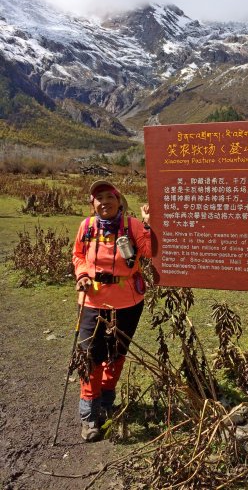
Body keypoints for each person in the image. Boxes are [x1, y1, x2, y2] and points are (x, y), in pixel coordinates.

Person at [72, 180, 151, 442]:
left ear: (119, 200)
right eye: (98, 198)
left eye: (109, 196)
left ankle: (107, 400)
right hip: (92, 302)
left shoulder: (133, 226)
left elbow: (150, 251)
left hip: (127, 302)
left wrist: (149, 223)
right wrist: (82, 274)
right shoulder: (87, 227)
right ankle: (90, 415)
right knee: (90, 357)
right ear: (92, 203)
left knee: (116, 354)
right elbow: (78, 255)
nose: (104, 201)